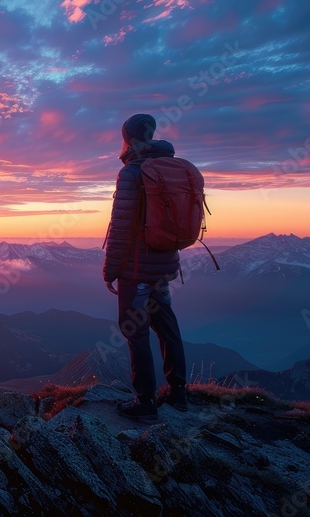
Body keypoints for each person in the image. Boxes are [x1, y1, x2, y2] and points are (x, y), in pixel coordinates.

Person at [104, 113, 189, 422]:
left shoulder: (131, 173)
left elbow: (121, 227)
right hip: (166, 264)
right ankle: (178, 392)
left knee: (135, 332)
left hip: (136, 269)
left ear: (128, 138)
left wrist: (110, 270)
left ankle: (145, 402)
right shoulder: (171, 168)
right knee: (166, 325)